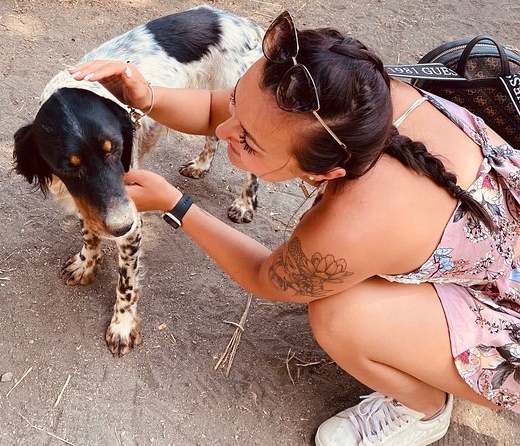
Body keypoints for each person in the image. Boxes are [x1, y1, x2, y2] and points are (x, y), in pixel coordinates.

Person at [68, 10, 520, 445]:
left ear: (326, 174)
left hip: (505, 303)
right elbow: (216, 108)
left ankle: (422, 409)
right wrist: (145, 93)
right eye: (237, 105)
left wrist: (178, 204)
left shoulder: (349, 228)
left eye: (247, 140)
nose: (224, 130)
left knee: (338, 315)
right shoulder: (348, 102)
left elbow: (270, 277)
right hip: (486, 246)